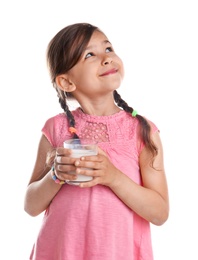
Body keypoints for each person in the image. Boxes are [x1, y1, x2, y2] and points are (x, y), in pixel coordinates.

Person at [24, 22, 169, 260]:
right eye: (90, 54)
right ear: (67, 82)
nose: (106, 58)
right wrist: (56, 175)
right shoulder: (56, 128)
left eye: (108, 49)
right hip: (61, 252)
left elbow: (160, 213)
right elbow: (31, 206)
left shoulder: (142, 130)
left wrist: (114, 178)